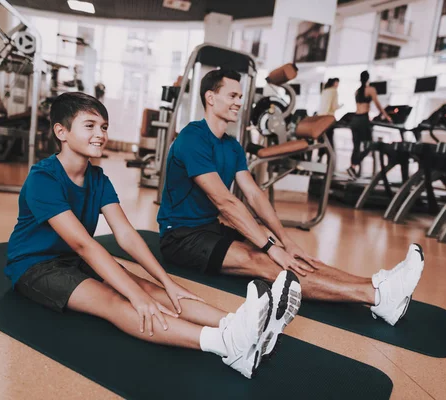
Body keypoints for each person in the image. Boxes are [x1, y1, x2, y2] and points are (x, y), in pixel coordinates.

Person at [4, 92, 302, 379]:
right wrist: (135, 296)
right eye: (90, 126)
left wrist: (167, 283)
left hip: (73, 258)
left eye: (104, 127)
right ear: (61, 131)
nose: (101, 134)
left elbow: (126, 235)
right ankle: (227, 344)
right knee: (117, 300)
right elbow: (84, 244)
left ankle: (241, 325)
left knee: (151, 290)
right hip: (35, 266)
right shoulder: (42, 178)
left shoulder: (98, 178)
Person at [158, 69, 425, 327]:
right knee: (262, 260)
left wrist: (285, 240)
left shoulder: (232, 145)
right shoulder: (192, 138)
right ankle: (376, 298)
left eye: (240, 96)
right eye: (232, 96)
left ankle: (378, 284)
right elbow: (225, 203)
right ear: (210, 97)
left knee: (290, 256)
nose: (239, 102)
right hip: (180, 237)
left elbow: (253, 194)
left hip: (210, 229)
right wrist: (270, 247)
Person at [347, 70, 391, 179]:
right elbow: (378, 104)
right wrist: (386, 116)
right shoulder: (370, 90)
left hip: (355, 119)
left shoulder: (357, 91)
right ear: (368, 79)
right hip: (363, 119)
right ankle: (354, 165)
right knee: (369, 145)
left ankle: (352, 167)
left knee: (356, 146)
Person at [319, 77, 341, 151]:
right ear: (335, 83)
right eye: (337, 83)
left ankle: (320, 155)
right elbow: (334, 106)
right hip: (329, 118)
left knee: (323, 137)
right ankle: (330, 156)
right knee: (329, 138)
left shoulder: (325, 91)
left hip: (321, 117)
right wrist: (340, 106)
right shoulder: (334, 91)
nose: (338, 85)